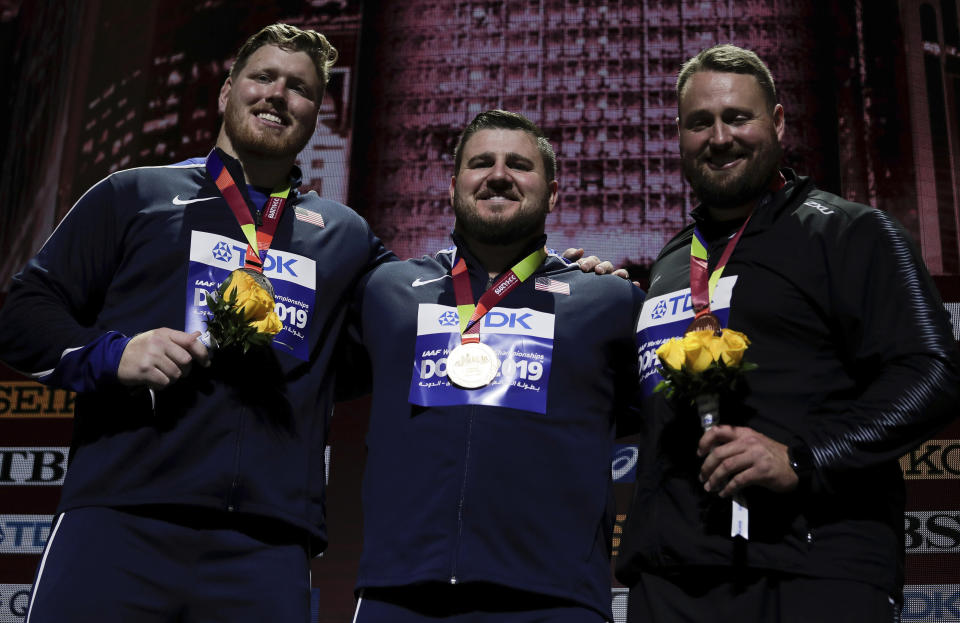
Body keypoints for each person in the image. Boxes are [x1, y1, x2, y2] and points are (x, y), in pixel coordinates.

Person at [0, 23, 394, 622]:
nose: (277, 94)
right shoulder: (134, 195)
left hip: (267, 544)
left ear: (318, 112)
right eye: (263, 77)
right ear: (226, 90)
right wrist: (114, 353)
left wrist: (555, 275)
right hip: (120, 521)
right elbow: (23, 314)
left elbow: (424, 312)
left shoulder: (345, 236)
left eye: (300, 88)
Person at [615, 44, 960, 622]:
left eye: (737, 117)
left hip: (811, 571)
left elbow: (934, 371)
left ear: (776, 122)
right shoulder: (674, 261)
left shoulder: (850, 233)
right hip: (672, 581)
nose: (719, 137)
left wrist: (804, 459)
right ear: (679, 136)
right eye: (700, 122)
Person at [346, 110, 644, 623]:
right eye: (481, 162)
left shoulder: (610, 301)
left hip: (556, 601)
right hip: (401, 596)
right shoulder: (387, 290)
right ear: (453, 186)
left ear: (552, 194)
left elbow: (654, 423)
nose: (499, 174)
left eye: (519, 165)